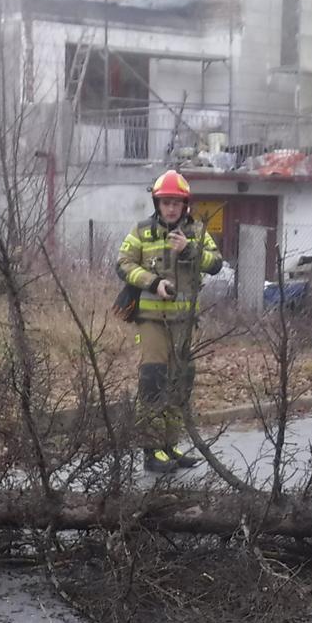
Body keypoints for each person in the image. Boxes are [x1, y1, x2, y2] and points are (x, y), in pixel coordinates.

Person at [117, 170, 223, 473]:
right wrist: (152, 283)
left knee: (180, 382)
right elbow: (122, 264)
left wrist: (188, 249)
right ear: (157, 203)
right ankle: (151, 450)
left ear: (185, 204)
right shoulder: (141, 232)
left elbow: (215, 264)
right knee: (153, 379)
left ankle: (169, 445)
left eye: (176, 203)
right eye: (165, 202)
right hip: (151, 320)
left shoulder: (197, 232)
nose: (171, 208)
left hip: (184, 323)